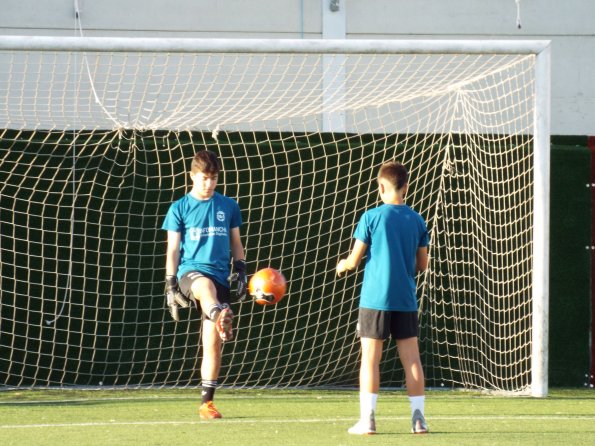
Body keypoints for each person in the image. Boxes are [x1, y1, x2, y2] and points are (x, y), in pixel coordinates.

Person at [336, 161, 429, 435]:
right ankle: (419, 420)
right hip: (405, 299)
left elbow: (353, 261)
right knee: (412, 359)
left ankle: (368, 421)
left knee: (370, 359)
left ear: (380, 187)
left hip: (375, 299)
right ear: (406, 187)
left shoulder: (371, 217)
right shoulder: (417, 219)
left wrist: (342, 265)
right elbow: (422, 265)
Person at [161, 149, 247, 420]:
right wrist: (170, 283)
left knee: (211, 343)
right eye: (203, 178)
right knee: (204, 286)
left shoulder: (228, 206)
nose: (209, 184)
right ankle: (219, 314)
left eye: (213, 178)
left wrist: (242, 269)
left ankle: (206, 403)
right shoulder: (179, 208)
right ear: (192, 177)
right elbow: (173, 249)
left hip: (222, 275)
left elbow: (235, 242)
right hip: (191, 273)